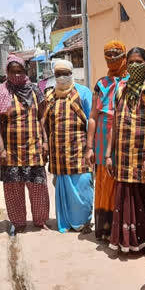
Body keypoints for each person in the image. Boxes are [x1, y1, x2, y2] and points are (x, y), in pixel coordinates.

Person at [105, 47, 145, 253]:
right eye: (131, 62)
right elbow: (114, 124)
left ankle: (142, 245)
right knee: (124, 200)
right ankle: (125, 243)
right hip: (122, 157)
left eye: (139, 61)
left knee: (142, 202)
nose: (135, 65)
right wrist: (108, 155)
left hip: (142, 157)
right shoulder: (121, 89)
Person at [0, 54, 50, 235]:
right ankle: (18, 222)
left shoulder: (34, 90)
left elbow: (43, 116)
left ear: (25, 72)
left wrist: (45, 140)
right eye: (13, 72)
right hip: (11, 151)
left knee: (38, 187)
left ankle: (40, 220)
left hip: (34, 149)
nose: (16, 76)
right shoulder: (2, 92)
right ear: (7, 72)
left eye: (20, 72)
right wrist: (0, 148)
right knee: (13, 189)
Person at [41, 59, 94, 233]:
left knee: (83, 186)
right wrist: (46, 142)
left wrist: (90, 148)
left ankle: (83, 222)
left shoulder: (83, 93)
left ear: (71, 74)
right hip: (59, 153)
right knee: (64, 188)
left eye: (65, 74)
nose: (62, 77)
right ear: (54, 76)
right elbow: (44, 122)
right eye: (58, 74)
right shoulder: (50, 96)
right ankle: (67, 222)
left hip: (79, 150)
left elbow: (91, 120)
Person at [85, 41, 129, 241]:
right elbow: (93, 116)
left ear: (124, 54)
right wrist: (89, 147)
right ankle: (105, 230)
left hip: (124, 140)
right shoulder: (101, 84)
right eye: (108, 55)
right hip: (103, 142)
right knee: (105, 184)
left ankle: (123, 230)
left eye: (116, 54)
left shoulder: (132, 81)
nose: (112, 58)